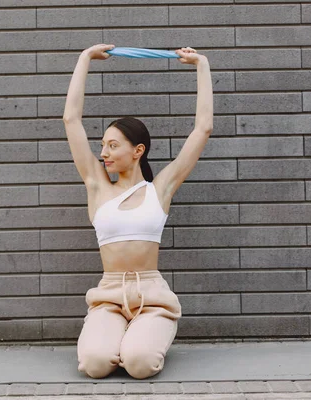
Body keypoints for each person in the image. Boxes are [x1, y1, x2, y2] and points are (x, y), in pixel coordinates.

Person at [62, 44, 214, 379]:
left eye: (113, 145)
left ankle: (144, 337)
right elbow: (71, 119)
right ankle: (114, 336)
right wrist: (84, 59)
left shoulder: (159, 189)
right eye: (102, 145)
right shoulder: (97, 187)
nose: (104, 152)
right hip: (109, 294)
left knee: (141, 364)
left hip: (152, 296)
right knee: (95, 365)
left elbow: (202, 128)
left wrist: (201, 65)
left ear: (137, 151)